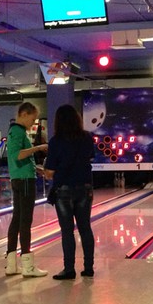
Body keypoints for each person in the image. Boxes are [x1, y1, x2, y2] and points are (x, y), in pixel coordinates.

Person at [43, 105, 95, 280]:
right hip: (85, 188)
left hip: (64, 190)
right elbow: (90, 157)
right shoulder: (87, 137)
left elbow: (50, 172)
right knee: (85, 228)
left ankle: (69, 269)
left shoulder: (56, 141)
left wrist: (46, 171)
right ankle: (88, 268)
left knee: (67, 231)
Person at [5, 102, 48, 277]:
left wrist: (36, 168)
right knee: (25, 221)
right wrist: (38, 148)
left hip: (19, 178)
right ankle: (28, 266)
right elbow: (17, 155)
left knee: (17, 219)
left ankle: (11, 264)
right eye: (33, 118)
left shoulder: (15, 131)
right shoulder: (17, 131)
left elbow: (19, 158)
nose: (33, 122)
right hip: (24, 181)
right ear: (24, 114)